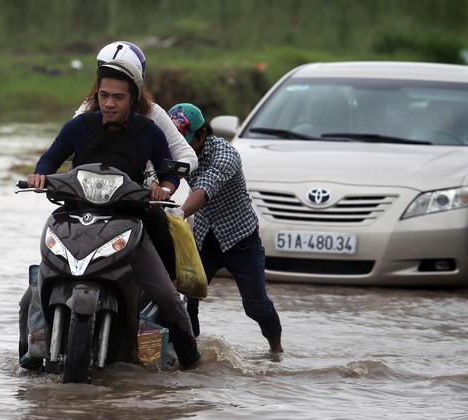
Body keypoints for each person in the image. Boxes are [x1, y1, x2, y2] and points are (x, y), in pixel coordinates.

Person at [20, 60, 200, 369]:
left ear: (133, 98)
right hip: (75, 220)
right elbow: (49, 160)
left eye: (118, 97)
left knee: (168, 298)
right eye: (104, 95)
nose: (109, 103)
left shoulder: (148, 131)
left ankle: (192, 365)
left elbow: (168, 168)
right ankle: (28, 359)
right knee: (28, 300)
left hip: (130, 221)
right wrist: (39, 177)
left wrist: (165, 189)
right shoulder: (78, 127)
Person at [74, 41, 198, 281]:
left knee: (161, 226)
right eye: (107, 78)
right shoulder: (85, 112)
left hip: (137, 198)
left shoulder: (152, 116)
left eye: (120, 89)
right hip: (91, 197)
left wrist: (161, 186)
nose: (110, 103)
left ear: (134, 86)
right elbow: (62, 151)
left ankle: (168, 286)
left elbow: (186, 157)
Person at [168, 103, 284, 353]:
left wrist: (175, 217)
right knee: (187, 300)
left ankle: (276, 349)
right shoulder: (177, 154)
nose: (181, 149)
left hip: (240, 239)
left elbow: (204, 190)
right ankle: (190, 354)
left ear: (202, 135)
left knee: (256, 306)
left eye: (185, 142)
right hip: (204, 239)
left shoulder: (225, 155)